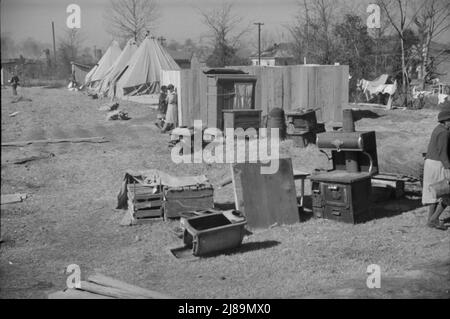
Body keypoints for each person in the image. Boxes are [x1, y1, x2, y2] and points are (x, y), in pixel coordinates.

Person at [422, 103, 450, 230]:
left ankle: (431, 219)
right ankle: (433, 219)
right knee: (446, 194)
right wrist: (448, 168)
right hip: (438, 164)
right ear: (445, 121)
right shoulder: (444, 133)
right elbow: (443, 152)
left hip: (430, 163)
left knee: (434, 193)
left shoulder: (438, 129)